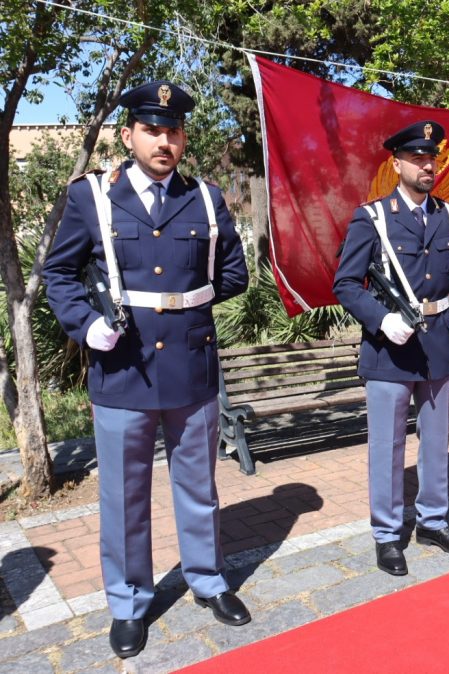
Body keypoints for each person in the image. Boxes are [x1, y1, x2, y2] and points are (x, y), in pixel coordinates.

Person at [43, 81, 251, 658]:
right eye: (153, 130)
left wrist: (183, 304)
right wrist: (86, 326)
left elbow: (234, 275)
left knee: (199, 489)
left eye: (174, 131)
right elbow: (59, 274)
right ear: (129, 134)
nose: (164, 141)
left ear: (184, 138)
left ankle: (208, 580)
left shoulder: (206, 199)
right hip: (122, 368)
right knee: (125, 495)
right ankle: (130, 601)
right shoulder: (92, 198)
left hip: (191, 367)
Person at [334, 120, 449, 576]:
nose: (427, 165)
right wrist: (382, 318)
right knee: (388, 446)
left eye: (431, 158)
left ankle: (433, 521)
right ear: (396, 164)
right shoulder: (371, 217)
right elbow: (345, 284)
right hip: (389, 349)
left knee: (436, 441)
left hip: (436, 342)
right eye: (416, 158)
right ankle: (387, 533)